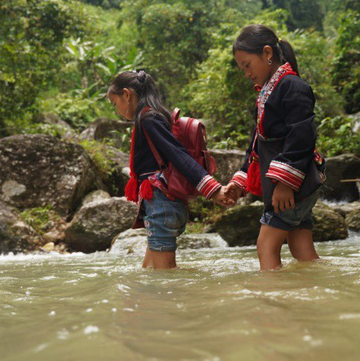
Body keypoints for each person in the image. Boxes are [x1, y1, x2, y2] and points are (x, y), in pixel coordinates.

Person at [107, 70, 234, 269]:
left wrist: (213, 189)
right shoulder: (153, 115)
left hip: (161, 204)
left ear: (126, 94)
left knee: (164, 278)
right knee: (149, 271)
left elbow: (178, 155)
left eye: (115, 104)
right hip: (162, 204)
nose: (117, 110)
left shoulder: (148, 118)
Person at [223, 24, 325, 271]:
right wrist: (241, 179)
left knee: (266, 245)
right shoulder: (269, 91)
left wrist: (285, 183)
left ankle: (272, 299)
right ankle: (318, 295)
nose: (246, 73)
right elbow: (258, 143)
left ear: (267, 53)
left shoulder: (293, 87)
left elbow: (301, 136)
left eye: (247, 65)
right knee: (302, 249)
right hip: (296, 186)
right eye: (242, 68)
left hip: (292, 186)